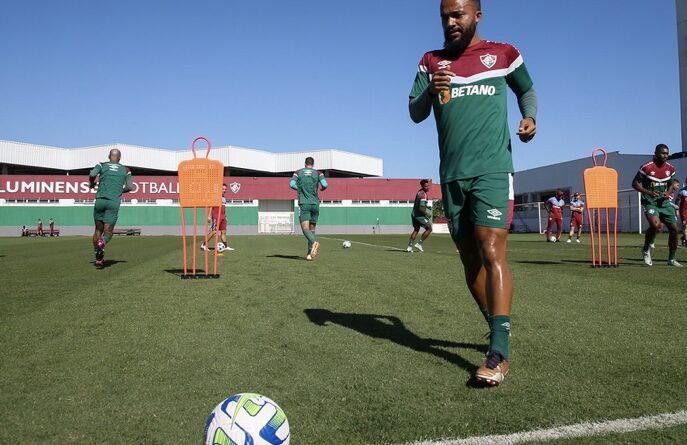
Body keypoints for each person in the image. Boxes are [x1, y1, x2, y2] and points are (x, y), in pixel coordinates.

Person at [409, 0, 537, 386]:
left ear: (477, 16)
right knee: (469, 259)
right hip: (452, 176)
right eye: (444, 16)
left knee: (490, 247)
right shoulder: (431, 61)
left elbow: (526, 90)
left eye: (458, 15)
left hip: (494, 169)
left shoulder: (503, 54)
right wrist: (430, 90)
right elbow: (414, 112)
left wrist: (530, 118)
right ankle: (499, 328)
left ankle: (498, 353)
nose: (450, 22)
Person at [632, 144, 681, 267]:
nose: (666, 155)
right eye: (663, 153)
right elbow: (635, 183)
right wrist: (648, 192)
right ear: (655, 153)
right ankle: (646, 249)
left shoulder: (670, 168)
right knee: (655, 226)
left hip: (664, 203)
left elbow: (672, 183)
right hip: (650, 202)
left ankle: (671, 259)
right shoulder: (646, 167)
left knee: (674, 230)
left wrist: (669, 192)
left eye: (667, 153)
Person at [89, 148, 133, 267]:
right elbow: (130, 187)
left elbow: (92, 174)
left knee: (98, 230)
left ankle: (98, 258)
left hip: (100, 200)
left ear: (109, 156)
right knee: (108, 232)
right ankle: (102, 243)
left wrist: (91, 183)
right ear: (119, 158)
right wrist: (119, 190)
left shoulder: (101, 165)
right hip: (113, 202)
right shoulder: (126, 170)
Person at [290, 157, 328, 261]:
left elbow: (291, 184)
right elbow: (325, 184)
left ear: (305, 163)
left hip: (304, 203)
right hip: (315, 204)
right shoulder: (318, 173)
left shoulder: (298, 172)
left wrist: (300, 188)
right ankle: (309, 254)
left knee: (305, 229)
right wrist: (322, 188)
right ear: (313, 164)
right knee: (312, 230)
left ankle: (314, 243)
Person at [201, 183, 234, 254]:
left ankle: (225, 246)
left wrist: (225, 216)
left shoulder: (224, 198)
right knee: (214, 231)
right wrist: (209, 216)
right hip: (216, 216)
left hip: (223, 216)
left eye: (225, 189)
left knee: (223, 232)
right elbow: (211, 206)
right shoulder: (215, 196)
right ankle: (203, 245)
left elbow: (223, 208)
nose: (224, 190)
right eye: (223, 189)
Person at [407, 179, 433, 252]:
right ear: (422, 186)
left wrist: (427, 207)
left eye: (428, 185)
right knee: (429, 229)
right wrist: (427, 213)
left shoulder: (419, 192)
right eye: (426, 186)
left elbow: (419, 204)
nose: (428, 187)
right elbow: (420, 208)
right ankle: (419, 244)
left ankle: (409, 247)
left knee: (416, 229)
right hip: (419, 215)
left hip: (414, 214)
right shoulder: (423, 194)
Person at [675, 178, 687, 247]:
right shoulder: (682, 191)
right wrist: (676, 211)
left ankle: (684, 238)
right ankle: (686, 240)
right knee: (685, 226)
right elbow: (677, 201)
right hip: (684, 212)